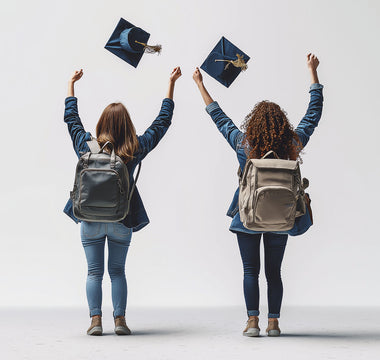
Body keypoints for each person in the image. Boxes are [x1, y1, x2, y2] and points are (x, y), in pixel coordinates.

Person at [193, 54, 323, 337]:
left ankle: (252, 322)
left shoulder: (244, 144)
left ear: (254, 123)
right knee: (274, 273)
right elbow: (313, 114)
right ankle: (273, 323)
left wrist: (200, 84)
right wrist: (313, 74)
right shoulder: (292, 144)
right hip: (281, 217)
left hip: (247, 216)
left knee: (250, 271)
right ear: (282, 124)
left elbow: (219, 117)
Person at [63, 66, 182, 335]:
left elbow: (71, 119)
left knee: (94, 273)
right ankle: (120, 321)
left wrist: (71, 84)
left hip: (90, 219)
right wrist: (171, 83)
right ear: (127, 124)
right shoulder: (134, 149)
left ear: (102, 124)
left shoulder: (85, 146)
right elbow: (162, 123)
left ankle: (95, 321)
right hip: (121, 219)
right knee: (117, 271)